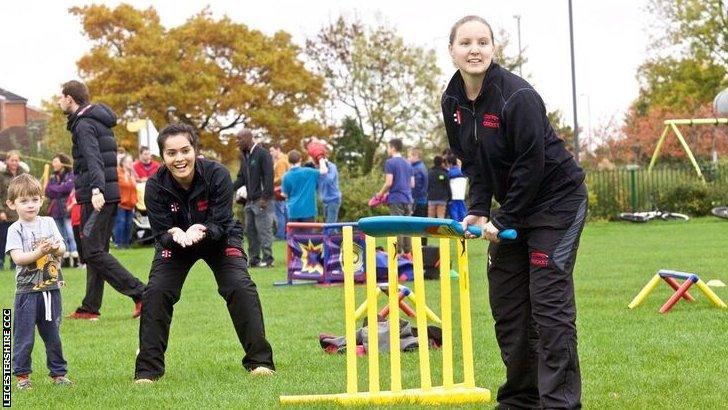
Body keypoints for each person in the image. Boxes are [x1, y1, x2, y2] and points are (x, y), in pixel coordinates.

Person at [443, 16, 587, 409]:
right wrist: (476, 208)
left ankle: (558, 402)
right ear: (452, 50)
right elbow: (473, 160)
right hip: (514, 208)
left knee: (548, 307)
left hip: (556, 203)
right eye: (466, 43)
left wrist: (503, 219)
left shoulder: (516, 96)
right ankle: (522, 399)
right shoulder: (452, 101)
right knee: (508, 305)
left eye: (483, 42)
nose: (475, 49)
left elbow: (531, 164)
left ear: (493, 49)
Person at [134, 123, 275, 383]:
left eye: (185, 151)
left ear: (196, 150)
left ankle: (260, 362)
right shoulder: (155, 186)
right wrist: (174, 235)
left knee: (240, 286)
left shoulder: (217, 174)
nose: (179, 159)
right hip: (177, 244)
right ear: (162, 157)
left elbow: (220, 222)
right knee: (155, 292)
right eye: (171, 153)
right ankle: (147, 371)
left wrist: (202, 231)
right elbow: (161, 232)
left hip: (218, 238)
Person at [58, 80, 145, 320]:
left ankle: (141, 293)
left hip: (96, 195)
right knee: (97, 249)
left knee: (92, 251)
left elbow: (93, 158)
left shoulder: (84, 124)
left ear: (69, 98)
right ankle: (90, 307)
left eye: (60, 97)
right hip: (107, 193)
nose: (58, 101)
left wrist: (96, 190)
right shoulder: (96, 119)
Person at [5, 174, 73, 389]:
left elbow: (63, 248)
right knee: (23, 337)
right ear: (12, 204)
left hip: (50, 289)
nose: (30, 205)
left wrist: (54, 248)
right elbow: (18, 258)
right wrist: (38, 252)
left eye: (34, 199)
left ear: (41, 200)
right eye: (24, 201)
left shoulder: (49, 222)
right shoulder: (15, 229)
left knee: (53, 334)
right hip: (27, 292)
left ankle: (58, 374)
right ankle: (22, 377)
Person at [233, 130, 275, 268]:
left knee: (264, 230)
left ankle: (268, 259)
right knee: (250, 232)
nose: (237, 141)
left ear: (247, 138)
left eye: (239, 139)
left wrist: (265, 197)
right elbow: (241, 178)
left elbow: (269, 176)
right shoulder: (244, 156)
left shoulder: (262, 153)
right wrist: (228, 189)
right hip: (249, 201)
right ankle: (254, 260)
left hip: (262, 200)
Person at [374, 138, 414, 254]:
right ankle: (408, 253)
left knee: (397, 226)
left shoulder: (390, 162)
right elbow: (412, 184)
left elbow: (389, 182)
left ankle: (398, 253)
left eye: (388, 147)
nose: (387, 150)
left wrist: (380, 194)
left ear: (393, 148)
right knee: (407, 227)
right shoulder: (408, 163)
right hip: (408, 198)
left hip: (396, 199)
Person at [45, 153, 79, 267]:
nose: (53, 164)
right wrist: (59, 189)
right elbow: (48, 191)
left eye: (55, 161)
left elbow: (68, 188)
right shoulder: (53, 177)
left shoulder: (71, 175)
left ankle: (75, 259)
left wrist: (56, 189)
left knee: (70, 234)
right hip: (56, 210)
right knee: (60, 235)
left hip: (67, 209)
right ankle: (64, 259)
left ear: (62, 162)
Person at [281, 150, 328, 223]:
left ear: (288, 161)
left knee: (293, 234)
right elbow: (324, 171)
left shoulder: (286, 176)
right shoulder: (309, 172)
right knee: (307, 234)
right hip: (308, 210)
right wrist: (320, 158)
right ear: (300, 159)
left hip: (293, 211)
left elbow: (285, 195)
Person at [0, 150, 26, 270]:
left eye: (16, 160)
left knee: (19, 238)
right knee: (3, 238)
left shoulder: (24, 175)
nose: (14, 162)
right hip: (6, 213)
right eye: (12, 160)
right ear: (7, 161)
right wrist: (1, 211)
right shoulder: (1, 176)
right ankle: (1, 261)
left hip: (20, 213)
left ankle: (15, 262)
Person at [114, 154, 138, 248]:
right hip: (121, 203)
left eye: (132, 162)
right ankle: (118, 243)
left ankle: (126, 243)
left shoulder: (132, 174)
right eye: (129, 162)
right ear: (123, 163)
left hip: (130, 203)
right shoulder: (119, 173)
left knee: (129, 224)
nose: (131, 164)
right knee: (121, 223)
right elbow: (121, 185)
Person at [270, 144, 290, 239]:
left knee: (279, 213)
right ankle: (286, 234)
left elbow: (280, 177)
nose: (271, 153)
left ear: (278, 149)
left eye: (272, 151)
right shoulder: (283, 160)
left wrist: (269, 181)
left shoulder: (281, 161)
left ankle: (280, 234)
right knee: (284, 212)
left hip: (278, 190)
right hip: (283, 190)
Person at [446, 153, 467, 222]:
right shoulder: (463, 172)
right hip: (461, 195)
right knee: (463, 213)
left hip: (453, 196)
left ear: (450, 163)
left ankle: (455, 230)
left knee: (454, 214)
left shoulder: (449, 173)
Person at [408, 148, 428, 218]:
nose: (408, 159)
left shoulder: (415, 169)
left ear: (416, 156)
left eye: (410, 156)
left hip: (417, 201)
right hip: (423, 199)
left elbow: (415, 186)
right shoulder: (422, 166)